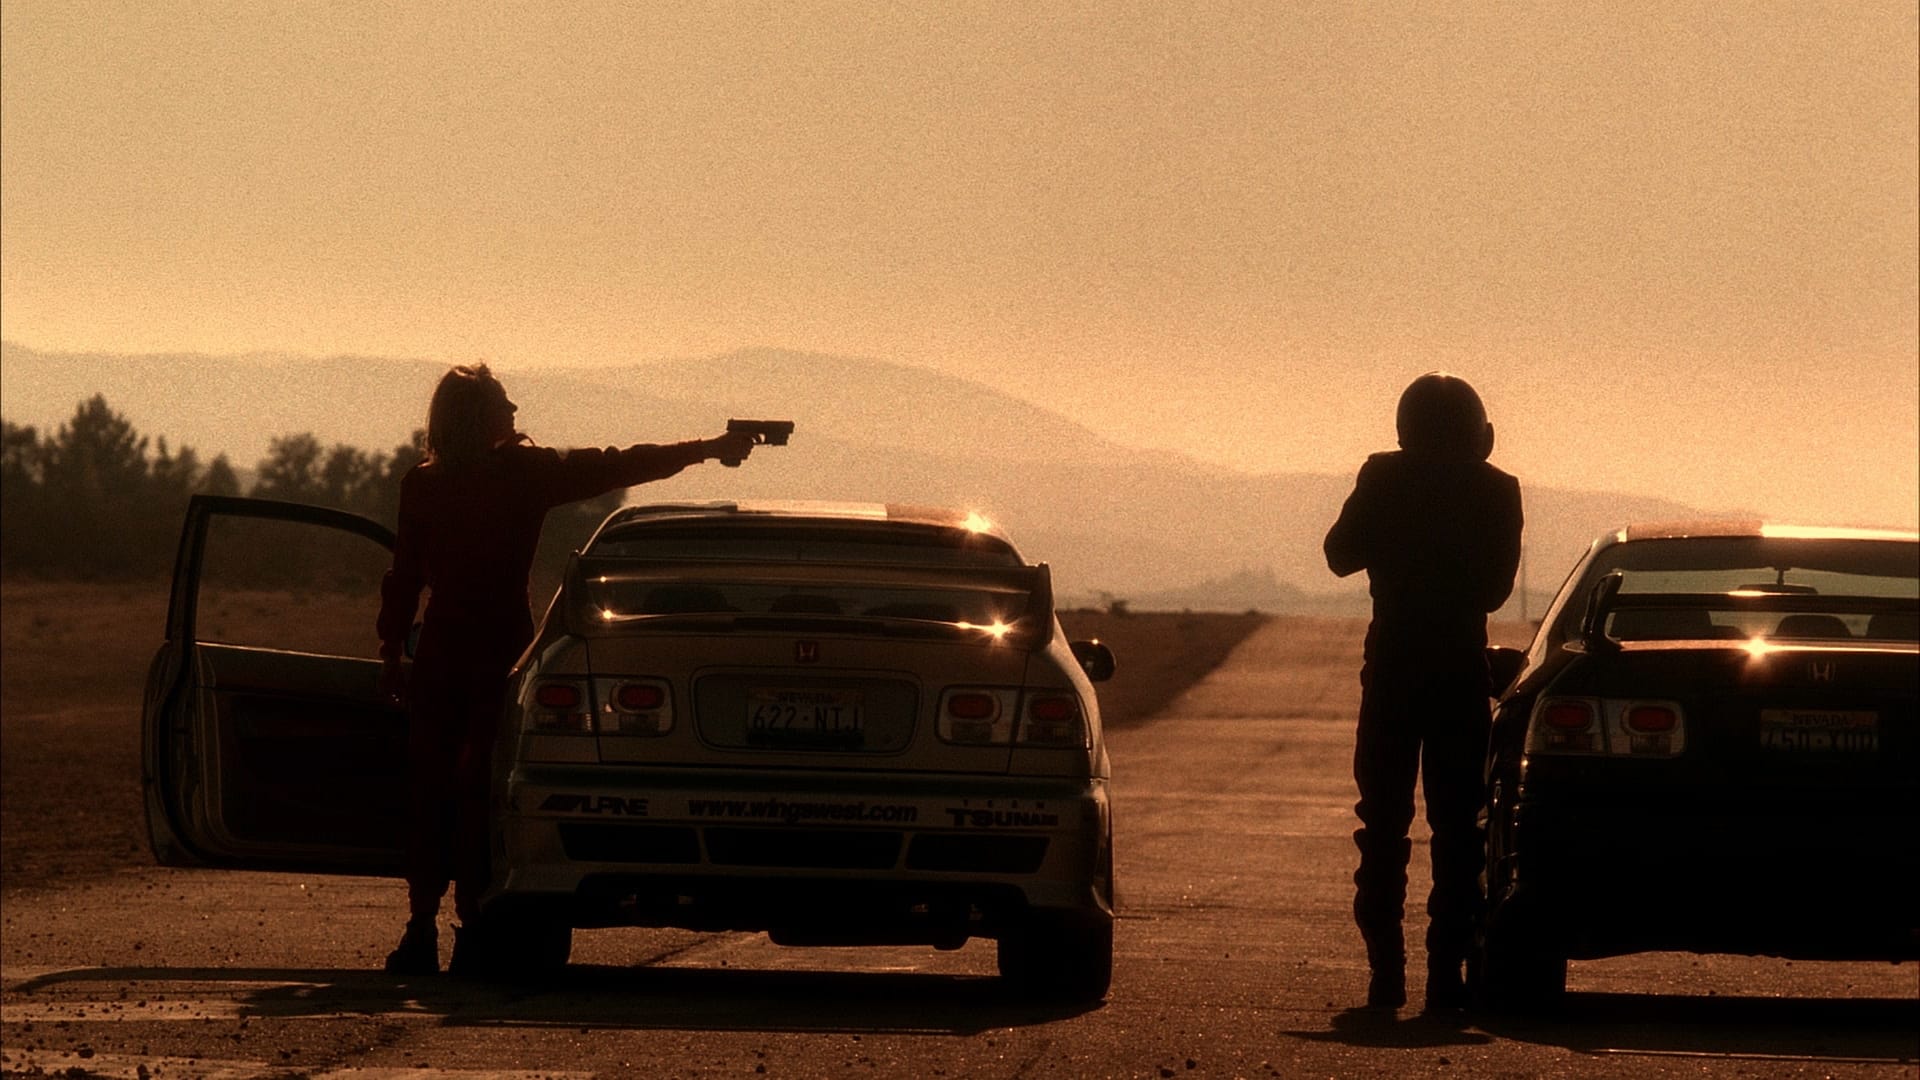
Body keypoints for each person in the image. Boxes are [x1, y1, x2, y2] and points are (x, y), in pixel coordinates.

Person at [375, 363, 759, 975]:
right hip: (501, 648)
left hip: (443, 648)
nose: (514, 410)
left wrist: (392, 651)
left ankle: (421, 927)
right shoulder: (524, 474)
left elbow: (404, 577)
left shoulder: (423, 484)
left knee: (431, 788)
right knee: (485, 790)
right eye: (503, 402)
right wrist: (707, 449)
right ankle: (473, 927)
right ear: (479, 416)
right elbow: (619, 465)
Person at [1323, 372, 1523, 1012]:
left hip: (1392, 668)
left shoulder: (1384, 477)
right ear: (1479, 435)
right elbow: (1495, 591)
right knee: (1459, 832)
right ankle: (1444, 976)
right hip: (1458, 669)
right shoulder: (1496, 490)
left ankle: (1387, 974)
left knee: (1383, 826)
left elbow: (1338, 554)